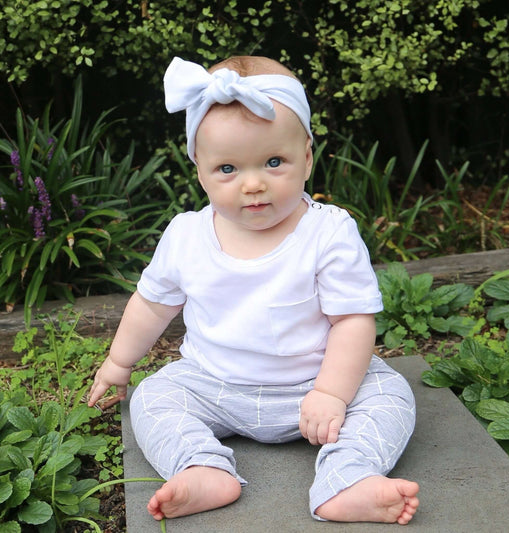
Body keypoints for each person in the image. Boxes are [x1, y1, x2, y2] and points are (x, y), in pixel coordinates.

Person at [89, 56, 419, 524]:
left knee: (389, 395)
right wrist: (120, 362)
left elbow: (352, 319)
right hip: (213, 384)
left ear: (306, 157)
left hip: (316, 386)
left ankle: (349, 476)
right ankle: (201, 467)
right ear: (198, 169)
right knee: (154, 397)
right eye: (227, 168)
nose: (253, 184)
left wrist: (332, 392)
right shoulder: (186, 235)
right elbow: (151, 304)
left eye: (273, 161)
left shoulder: (328, 232)